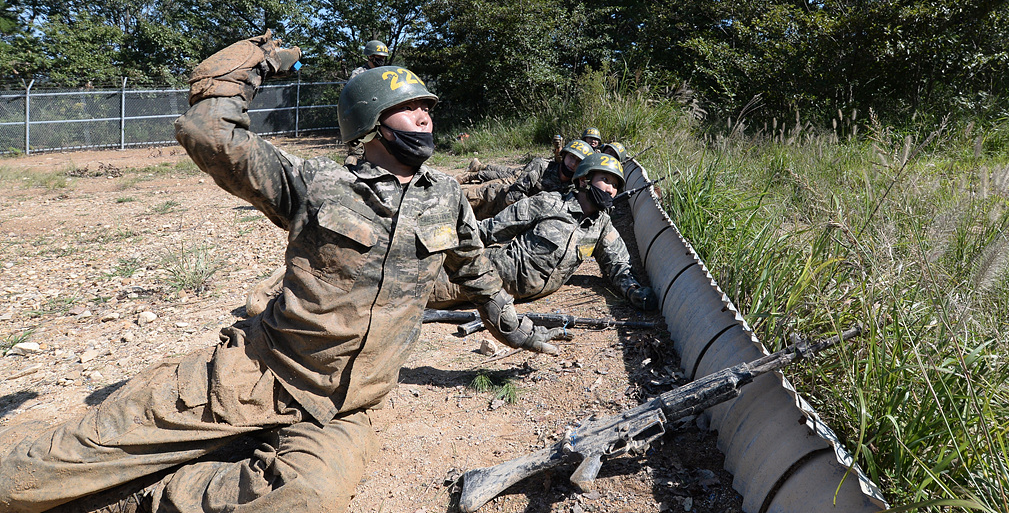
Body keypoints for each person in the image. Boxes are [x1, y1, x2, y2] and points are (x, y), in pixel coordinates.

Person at [0, 31, 557, 513]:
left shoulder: (448, 196)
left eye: (428, 106)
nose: (426, 115)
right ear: (373, 122)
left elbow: (480, 276)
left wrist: (520, 333)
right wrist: (252, 63)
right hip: (256, 373)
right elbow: (211, 135)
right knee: (33, 476)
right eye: (411, 107)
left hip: (342, 406)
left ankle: (136, 500)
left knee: (304, 496)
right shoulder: (317, 183)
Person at [430, 152, 658, 310]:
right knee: (415, 294)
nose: (610, 189)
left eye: (616, 185)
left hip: (505, 297)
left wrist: (632, 291)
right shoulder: (548, 203)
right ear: (584, 180)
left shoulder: (602, 226)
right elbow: (490, 229)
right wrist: (437, 242)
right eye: (605, 179)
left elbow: (618, 265)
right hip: (485, 275)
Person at [464, 139, 594, 220]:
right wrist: (536, 212)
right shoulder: (541, 165)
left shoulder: (573, 187)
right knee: (456, 204)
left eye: (578, 161)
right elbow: (515, 193)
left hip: (510, 219)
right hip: (494, 198)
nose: (573, 163)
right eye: (571, 157)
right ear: (564, 155)